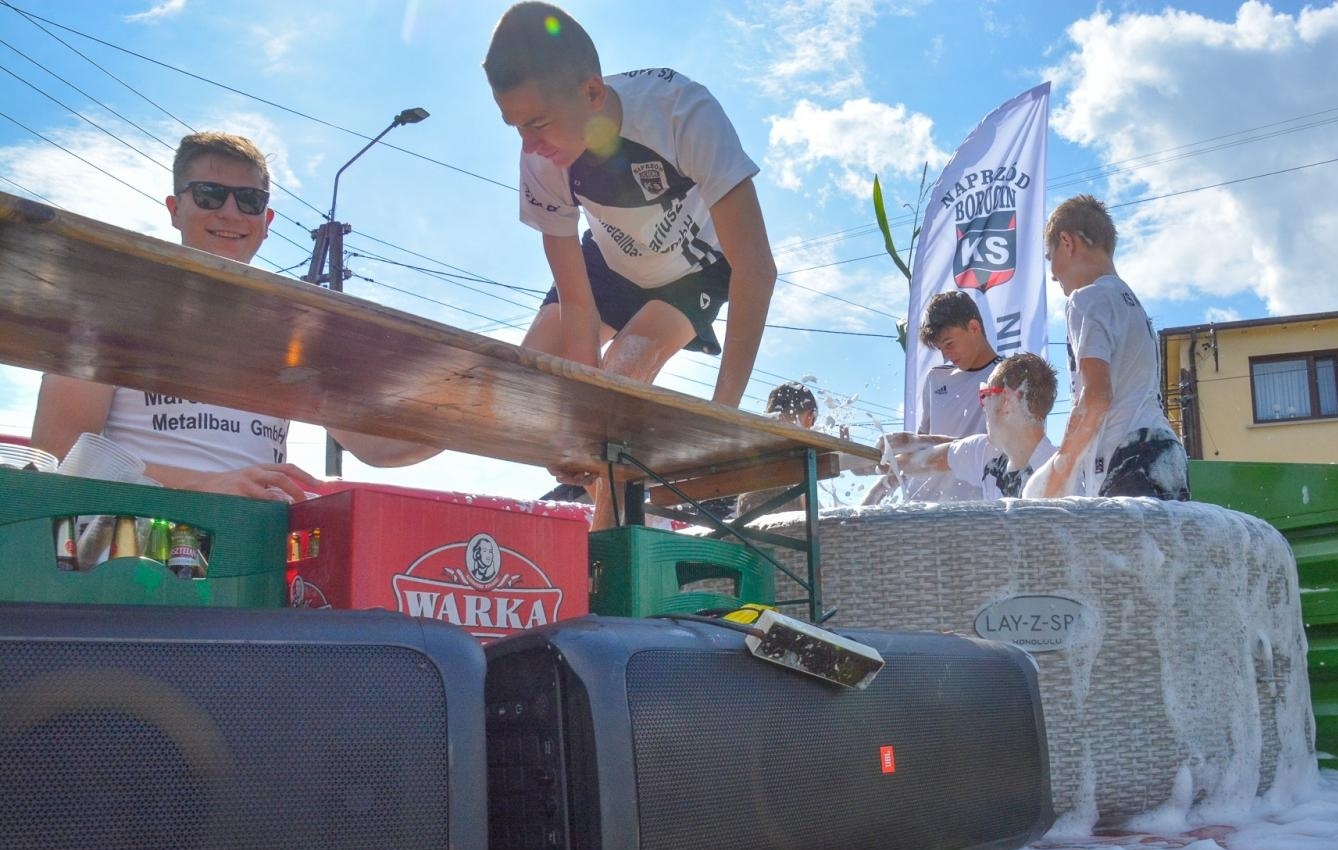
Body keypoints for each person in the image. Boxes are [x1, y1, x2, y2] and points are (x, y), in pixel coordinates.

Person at [484, 2, 777, 525]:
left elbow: (755, 268)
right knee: (526, 392)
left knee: (621, 383)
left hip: (693, 269)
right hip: (612, 262)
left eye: (537, 124)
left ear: (592, 93)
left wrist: (723, 414)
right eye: (513, 126)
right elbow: (576, 301)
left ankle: (602, 565)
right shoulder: (540, 156)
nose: (527, 145)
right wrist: (577, 416)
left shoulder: (681, 110)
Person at [30, 131, 437, 501]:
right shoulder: (112, 305)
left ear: (267, 221)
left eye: (249, 200)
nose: (230, 212)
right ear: (175, 208)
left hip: (257, 545)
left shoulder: (292, 332)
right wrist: (208, 483)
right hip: (138, 547)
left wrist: (470, 400)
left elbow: (379, 446)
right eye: (209, 194)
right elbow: (56, 451)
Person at [1026, 195, 1188, 501]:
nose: (1052, 273)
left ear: (1068, 242)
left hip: (1128, 457)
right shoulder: (1132, 304)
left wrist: (1062, 466)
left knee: (1120, 550)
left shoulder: (1086, 300)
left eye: (1051, 258)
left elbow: (1097, 396)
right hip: (1167, 453)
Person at [879, 290, 1006, 503]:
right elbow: (920, 441)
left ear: (974, 328)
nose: (946, 356)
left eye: (949, 344)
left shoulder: (1007, 376)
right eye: (940, 348)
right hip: (920, 506)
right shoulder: (936, 378)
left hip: (976, 511)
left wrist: (925, 442)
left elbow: (1003, 450)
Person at [885, 353, 1057, 500]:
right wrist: (881, 461)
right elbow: (926, 460)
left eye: (984, 395)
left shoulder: (1061, 478)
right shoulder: (985, 452)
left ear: (1006, 402)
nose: (982, 405)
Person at [733, 382, 817, 518]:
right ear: (810, 417)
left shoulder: (752, 445)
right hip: (792, 531)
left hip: (745, 524)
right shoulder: (801, 455)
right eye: (813, 421)